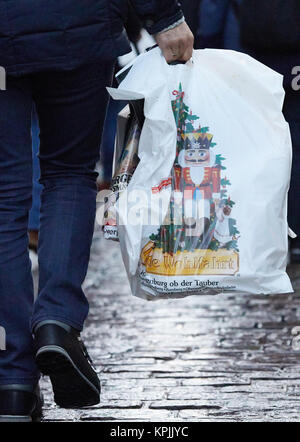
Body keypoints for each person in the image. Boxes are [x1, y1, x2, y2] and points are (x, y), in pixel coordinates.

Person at [0, 0, 194, 422]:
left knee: (4, 202)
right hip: (79, 25)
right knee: (69, 174)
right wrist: (163, 16)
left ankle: (12, 378)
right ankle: (56, 320)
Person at [198, 0, 300, 262]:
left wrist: (206, 42)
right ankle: (296, 235)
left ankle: (261, 236)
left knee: (254, 144)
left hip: (248, 51)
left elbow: (214, 6)